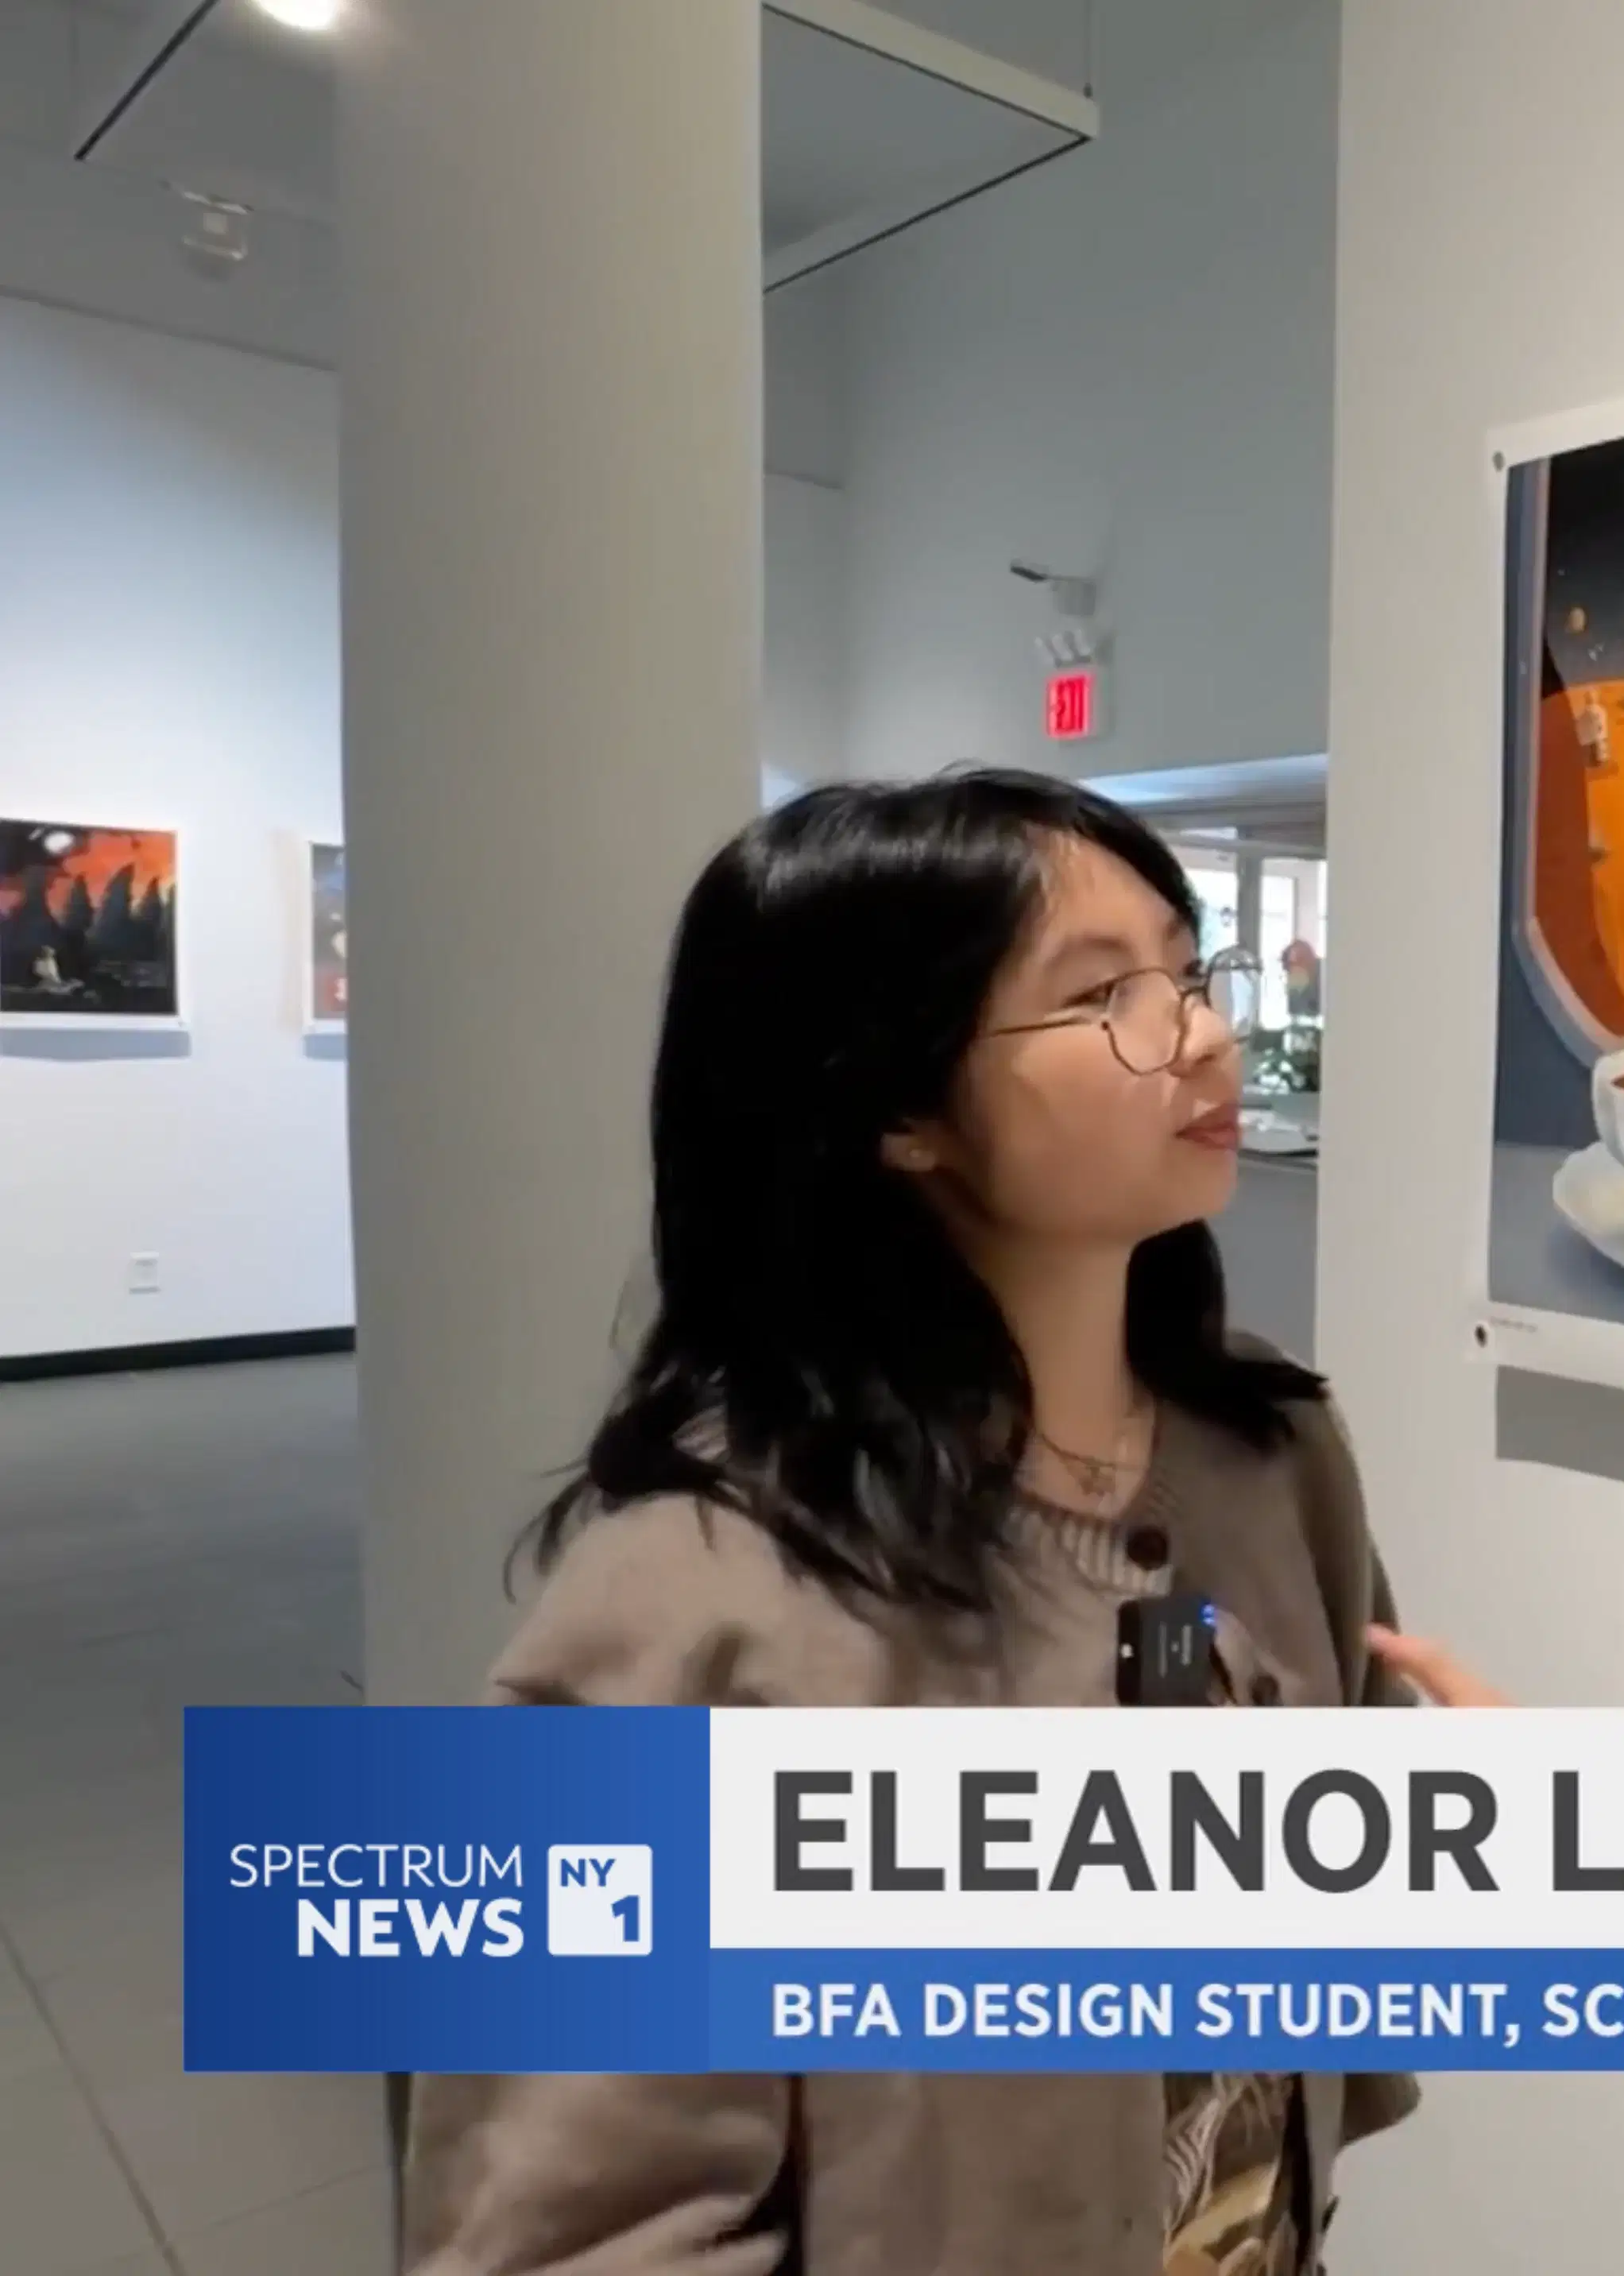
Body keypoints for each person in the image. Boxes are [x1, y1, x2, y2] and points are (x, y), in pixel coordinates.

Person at [399, 768, 1501, 2275]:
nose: (1203, 1031)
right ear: (902, 1107)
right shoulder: (689, 1604)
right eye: (1107, 994)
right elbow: (560, 2234)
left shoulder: (1271, 1452)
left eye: (1190, 970)